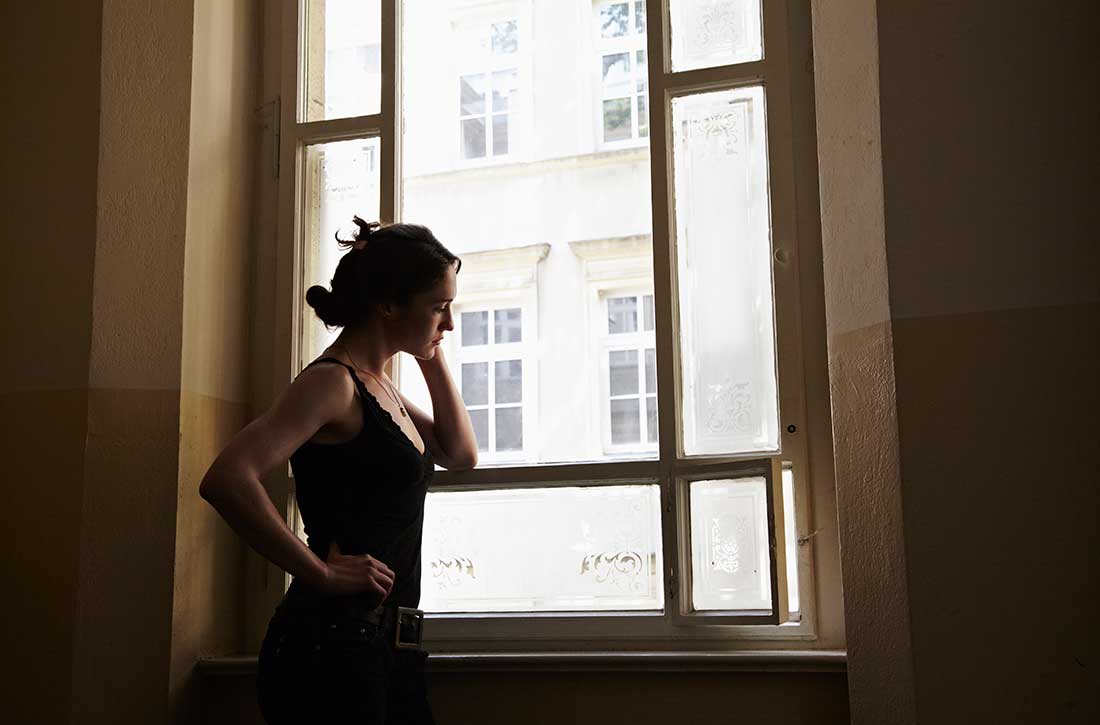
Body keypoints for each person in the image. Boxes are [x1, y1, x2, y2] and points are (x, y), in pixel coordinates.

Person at [199, 217, 478, 723]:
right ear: (388, 304)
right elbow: (226, 478)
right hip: (329, 651)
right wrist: (321, 572)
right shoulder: (333, 383)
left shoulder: (379, 384)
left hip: (388, 649)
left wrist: (428, 352)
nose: (450, 323)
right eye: (439, 307)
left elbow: (459, 453)